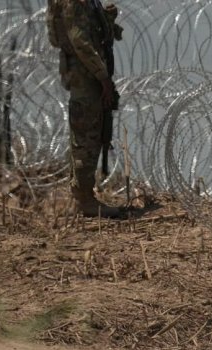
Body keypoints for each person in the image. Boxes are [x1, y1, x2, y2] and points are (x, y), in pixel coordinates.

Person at [47, 0, 124, 217]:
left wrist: (107, 21)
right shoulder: (75, 2)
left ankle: (81, 196)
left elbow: (92, 35)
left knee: (91, 134)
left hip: (87, 75)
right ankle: (84, 200)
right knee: (86, 138)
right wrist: (103, 77)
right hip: (85, 77)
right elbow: (79, 40)